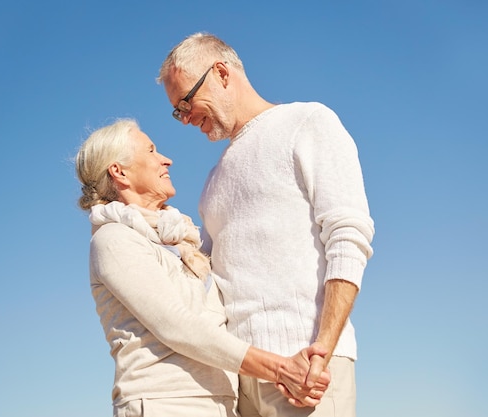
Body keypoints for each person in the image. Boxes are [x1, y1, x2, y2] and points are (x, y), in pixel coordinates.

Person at [157, 33, 375, 417]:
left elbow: (348, 235)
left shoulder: (307, 122)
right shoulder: (212, 182)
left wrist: (321, 351)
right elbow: (209, 278)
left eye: (186, 103)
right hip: (240, 381)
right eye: (178, 112)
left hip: (306, 372)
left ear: (221, 73)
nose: (186, 119)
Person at [75, 118, 331, 417]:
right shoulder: (113, 239)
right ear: (119, 172)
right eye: (152, 151)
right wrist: (280, 368)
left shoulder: (182, 240)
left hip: (217, 404)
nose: (166, 159)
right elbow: (177, 326)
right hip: (165, 404)